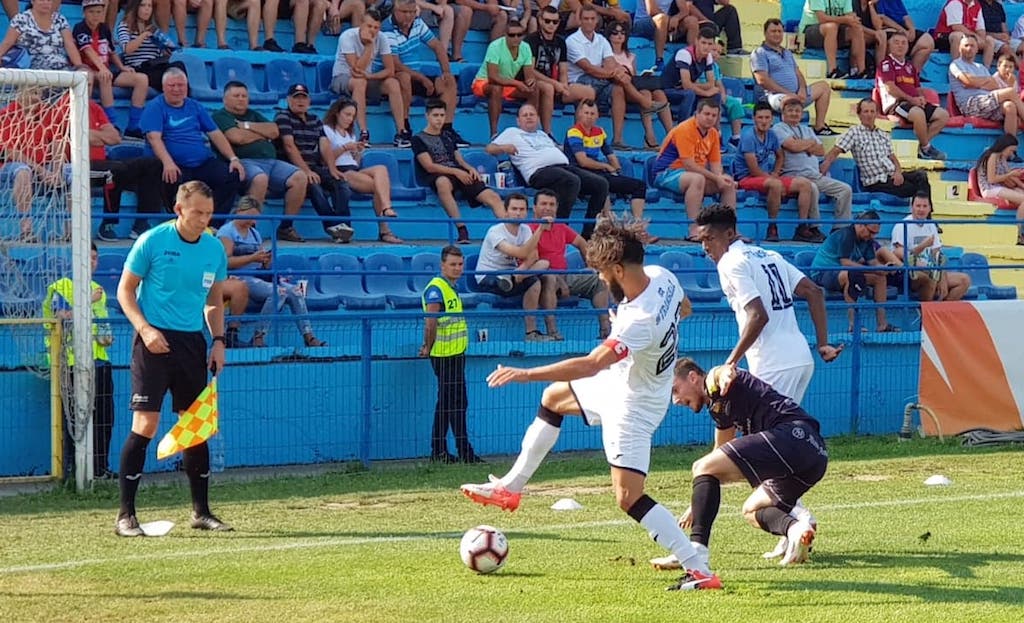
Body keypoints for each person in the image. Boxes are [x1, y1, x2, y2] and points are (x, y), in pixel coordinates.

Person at [460, 218, 725, 591]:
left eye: (601, 273)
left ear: (618, 269)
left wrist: (523, 373)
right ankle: (511, 487)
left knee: (627, 496)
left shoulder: (638, 319)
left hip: (634, 405)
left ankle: (698, 568)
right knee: (553, 398)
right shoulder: (662, 276)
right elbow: (685, 309)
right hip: (628, 382)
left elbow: (589, 364)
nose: (600, 280)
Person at [649, 205, 840, 571]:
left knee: (774, 447)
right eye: (699, 240)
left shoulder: (731, 263)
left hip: (773, 361)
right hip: (800, 356)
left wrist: (731, 362)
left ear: (727, 234)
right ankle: (791, 528)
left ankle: (797, 522)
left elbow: (758, 314)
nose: (705, 248)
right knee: (764, 453)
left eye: (707, 239)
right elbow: (813, 291)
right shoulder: (768, 254)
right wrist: (822, 343)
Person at [113, 180, 232, 537]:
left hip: (192, 345)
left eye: (209, 214)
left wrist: (218, 341)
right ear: (179, 209)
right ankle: (125, 515)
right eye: (198, 212)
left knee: (193, 427)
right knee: (145, 426)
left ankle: (202, 512)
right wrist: (146, 330)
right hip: (152, 342)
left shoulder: (214, 249)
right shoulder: (152, 241)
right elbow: (125, 290)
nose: (204, 220)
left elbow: (214, 299)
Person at [670, 359, 827, 568]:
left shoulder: (714, 383)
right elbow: (718, 454)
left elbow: (722, 372)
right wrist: (695, 505)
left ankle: (696, 550)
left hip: (792, 435)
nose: (675, 400)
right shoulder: (718, 408)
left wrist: (724, 372)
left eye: (675, 389)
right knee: (751, 511)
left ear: (692, 377)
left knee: (700, 466)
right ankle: (795, 528)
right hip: (816, 456)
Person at [43, 242, 117, 480]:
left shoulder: (98, 290)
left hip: (99, 361)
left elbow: (101, 326)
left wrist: (105, 338)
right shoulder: (61, 287)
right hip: (70, 362)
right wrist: (88, 302)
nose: (92, 262)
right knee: (73, 418)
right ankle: (72, 471)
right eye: (88, 257)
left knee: (105, 417)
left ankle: (99, 468)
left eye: (95, 258)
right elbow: (61, 319)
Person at [486, 104, 610, 239]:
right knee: (571, 181)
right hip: (538, 172)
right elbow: (489, 149)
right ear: (518, 121)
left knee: (601, 184)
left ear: (538, 119)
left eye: (532, 115)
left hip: (563, 168)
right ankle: (560, 229)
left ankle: (589, 234)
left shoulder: (543, 134)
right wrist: (504, 147)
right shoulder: (512, 132)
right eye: (525, 115)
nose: (529, 117)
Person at [217, 196, 327, 348]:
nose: (252, 222)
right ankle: (259, 336)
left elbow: (260, 261)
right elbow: (226, 262)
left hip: (259, 275)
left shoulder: (254, 233)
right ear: (238, 211)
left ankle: (309, 336)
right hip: (240, 277)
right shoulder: (227, 231)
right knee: (279, 293)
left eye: (255, 218)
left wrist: (266, 262)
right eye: (249, 217)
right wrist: (252, 258)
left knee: (295, 292)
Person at [140, 68, 245, 219]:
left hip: (201, 163)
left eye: (181, 85)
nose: (177, 89)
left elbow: (215, 133)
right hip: (174, 164)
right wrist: (168, 163)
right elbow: (154, 138)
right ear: (163, 87)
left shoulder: (195, 106)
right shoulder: (155, 107)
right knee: (170, 177)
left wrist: (233, 159)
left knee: (231, 175)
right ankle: (183, 222)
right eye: (172, 85)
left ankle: (211, 222)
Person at [213, 81, 309, 243]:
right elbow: (237, 138)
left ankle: (286, 227)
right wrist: (261, 134)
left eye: (244, 96)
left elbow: (274, 131)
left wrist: (247, 126)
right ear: (225, 99)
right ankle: (248, 229)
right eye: (236, 96)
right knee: (260, 178)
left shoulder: (253, 114)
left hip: (271, 162)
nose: (241, 99)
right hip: (244, 162)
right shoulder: (220, 116)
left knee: (300, 177)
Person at [568, 6, 669, 149]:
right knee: (620, 78)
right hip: (581, 80)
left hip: (601, 79)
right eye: (586, 19)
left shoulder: (601, 40)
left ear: (596, 20)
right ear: (580, 20)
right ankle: (645, 103)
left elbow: (611, 63)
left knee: (619, 88)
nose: (589, 22)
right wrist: (614, 73)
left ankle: (617, 140)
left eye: (592, 19)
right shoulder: (573, 40)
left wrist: (619, 72)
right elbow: (588, 68)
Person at [419, 245, 482, 464]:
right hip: (444, 356)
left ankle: (450, 451)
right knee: (450, 403)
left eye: (460, 264)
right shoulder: (436, 289)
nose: (457, 268)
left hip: (455, 354)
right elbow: (430, 323)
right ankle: (448, 451)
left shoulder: (449, 287)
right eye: (453, 264)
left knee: (454, 403)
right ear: (442, 265)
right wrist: (427, 347)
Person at [412, 99, 506, 244]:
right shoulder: (418, 139)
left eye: (442, 115)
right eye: (435, 115)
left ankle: (508, 229)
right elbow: (429, 166)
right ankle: (461, 229)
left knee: (492, 196)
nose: (439, 119)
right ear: (427, 116)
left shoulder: (448, 136)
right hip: (438, 173)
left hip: (458, 171)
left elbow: (459, 160)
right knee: (442, 183)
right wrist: (456, 172)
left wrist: (469, 168)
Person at [274, 83, 355, 244]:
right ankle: (334, 227)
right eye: (296, 98)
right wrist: (305, 170)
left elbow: (324, 145)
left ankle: (344, 226)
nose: (300, 101)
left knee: (341, 182)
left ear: (309, 100)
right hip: (292, 169)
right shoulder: (283, 117)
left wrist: (332, 169)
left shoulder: (315, 119)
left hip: (314, 166)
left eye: (303, 97)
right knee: (314, 185)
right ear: (288, 100)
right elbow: (289, 146)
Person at [475, 193, 561, 341]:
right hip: (489, 275)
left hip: (513, 273)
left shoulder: (526, 230)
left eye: (522, 209)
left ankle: (531, 333)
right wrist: (540, 230)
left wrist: (519, 273)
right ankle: (512, 277)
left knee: (543, 266)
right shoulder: (495, 231)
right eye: (514, 209)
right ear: (506, 210)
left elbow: (533, 256)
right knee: (532, 278)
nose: (518, 213)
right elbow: (521, 252)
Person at [380, 0, 467, 147]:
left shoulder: (418, 23)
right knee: (404, 77)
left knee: (449, 81)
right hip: (395, 76)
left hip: (416, 75)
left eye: (412, 12)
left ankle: (446, 129)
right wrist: (422, 78)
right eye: (405, 12)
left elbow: (437, 46)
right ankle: (404, 129)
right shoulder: (387, 29)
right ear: (395, 11)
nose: (409, 16)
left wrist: (446, 72)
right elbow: (396, 65)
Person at [530, 188, 611, 338]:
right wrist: (560, 279)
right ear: (534, 207)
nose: (547, 208)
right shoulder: (528, 229)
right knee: (550, 279)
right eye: (543, 204)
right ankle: (553, 331)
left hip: (566, 276)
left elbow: (581, 242)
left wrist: (592, 265)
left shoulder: (560, 227)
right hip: (542, 277)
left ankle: (606, 330)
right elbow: (534, 262)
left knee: (600, 278)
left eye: (552, 204)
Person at [734, 102, 821, 243]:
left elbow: (780, 156)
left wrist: (775, 172)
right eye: (760, 118)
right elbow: (753, 169)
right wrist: (774, 178)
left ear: (772, 120)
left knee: (805, 184)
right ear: (754, 119)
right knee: (775, 184)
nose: (764, 121)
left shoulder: (772, 135)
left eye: (767, 118)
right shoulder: (748, 136)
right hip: (746, 178)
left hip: (767, 177)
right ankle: (772, 226)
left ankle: (802, 227)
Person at [651, 98, 737, 241]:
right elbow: (689, 164)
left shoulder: (714, 133)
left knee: (728, 183)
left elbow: (715, 163)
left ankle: (731, 231)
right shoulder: (685, 129)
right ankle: (694, 230)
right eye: (706, 114)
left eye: (714, 115)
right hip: (666, 172)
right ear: (697, 113)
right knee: (697, 179)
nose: (710, 118)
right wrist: (716, 178)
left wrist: (720, 177)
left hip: (693, 173)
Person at [322, 98, 403, 244]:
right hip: (339, 171)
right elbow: (326, 158)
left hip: (353, 169)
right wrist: (346, 148)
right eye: (347, 114)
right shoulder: (327, 130)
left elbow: (355, 163)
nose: (350, 119)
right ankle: (385, 228)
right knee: (380, 187)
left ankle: (386, 207)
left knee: (381, 169)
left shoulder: (350, 134)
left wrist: (357, 153)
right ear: (337, 113)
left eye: (352, 116)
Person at [330, 9, 411, 147]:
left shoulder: (382, 38)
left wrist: (371, 76)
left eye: (376, 27)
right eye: (369, 26)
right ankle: (363, 132)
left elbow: (390, 70)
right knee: (360, 82)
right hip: (342, 78)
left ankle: (401, 132)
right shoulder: (347, 36)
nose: (373, 31)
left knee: (393, 83)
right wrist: (369, 46)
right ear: (361, 24)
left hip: (366, 78)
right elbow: (356, 70)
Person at [87, 100, 166, 242]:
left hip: (103, 162)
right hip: (80, 166)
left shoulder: (94, 107)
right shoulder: (62, 108)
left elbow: (115, 138)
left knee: (152, 164)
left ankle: (141, 224)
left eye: (90, 85)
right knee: (113, 171)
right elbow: (71, 136)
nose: (88, 88)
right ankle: (108, 223)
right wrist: (101, 136)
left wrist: (88, 134)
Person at [564, 99, 649, 231]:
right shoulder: (574, 132)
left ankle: (638, 228)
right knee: (602, 185)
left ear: (598, 115)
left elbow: (609, 154)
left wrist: (617, 169)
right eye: (586, 113)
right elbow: (583, 161)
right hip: (579, 173)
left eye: (592, 114)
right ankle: (607, 226)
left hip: (598, 173)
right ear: (579, 114)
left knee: (639, 186)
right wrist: (607, 167)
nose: (589, 117)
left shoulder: (600, 131)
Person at [822, 98, 931, 200]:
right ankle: (921, 215)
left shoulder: (883, 134)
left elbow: (893, 159)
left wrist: (898, 172)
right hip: (876, 181)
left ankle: (925, 216)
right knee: (914, 189)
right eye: (865, 112)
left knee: (921, 175)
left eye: (872, 111)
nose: (869, 115)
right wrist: (826, 163)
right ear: (859, 115)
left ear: (876, 114)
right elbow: (836, 150)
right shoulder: (854, 132)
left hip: (892, 176)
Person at [810, 210, 899, 332]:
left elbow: (873, 262)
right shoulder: (846, 235)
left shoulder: (868, 241)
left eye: (875, 233)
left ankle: (882, 324)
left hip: (844, 272)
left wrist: (883, 269)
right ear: (860, 225)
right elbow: (845, 262)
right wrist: (870, 269)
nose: (872, 236)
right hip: (823, 272)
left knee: (880, 278)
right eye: (870, 232)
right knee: (852, 276)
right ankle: (853, 324)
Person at [75, 0, 151, 137]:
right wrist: (102, 69)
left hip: (106, 68)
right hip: (90, 70)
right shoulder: (80, 28)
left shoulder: (104, 28)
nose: (95, 16)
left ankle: (133, 126)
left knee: (141, 79)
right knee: (106, 78)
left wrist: (122, 67)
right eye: (91, 12)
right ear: (84, 13)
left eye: (99, 12)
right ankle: (111, 123)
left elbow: (112, 51)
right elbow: (88, 51)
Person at [773, 96, 853, 226]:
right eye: (790, 110)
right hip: (794, 175)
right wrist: (809, 144)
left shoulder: (807, 129)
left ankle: (841, 228)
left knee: (845, 190)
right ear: (783, 113)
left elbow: (821, 150)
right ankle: (812, 228)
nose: (794, 113)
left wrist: (801, 144)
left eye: (797, 111)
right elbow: (792, 146)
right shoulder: (778, 128)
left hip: (814, 175)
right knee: (812, 188)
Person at [751, 18, 835, 136]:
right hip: (773, 96)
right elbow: (762, 80)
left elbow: (798, 74)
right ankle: (790, 134)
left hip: (796, 95)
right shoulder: (759, 53)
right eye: (773, 31)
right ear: (765, 33)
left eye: (779, 31)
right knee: (789, 100)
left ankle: (820, 126)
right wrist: (788, 93)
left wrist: (802, 90)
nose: (777, 34)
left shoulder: (787, 53)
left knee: (824, 87)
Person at [876, 30, 949, 160]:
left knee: (943, 115)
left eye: (904, 43)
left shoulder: (910, 66)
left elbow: (917, 88)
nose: (900, 45)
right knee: (918, 113)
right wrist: (912, 100)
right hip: (896, 104)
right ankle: (927, 148)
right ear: (889, 46)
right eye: (896, 42)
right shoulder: (886, 64)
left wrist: (921, 99)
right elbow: (890, 88)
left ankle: (922, 146)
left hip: (912, 102)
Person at [527, 6, 598, 137]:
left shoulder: (561, 42)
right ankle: (547, 133)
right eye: (547, 21)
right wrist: (556, 85)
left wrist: (563, 85)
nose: (551, 24)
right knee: (548, 88)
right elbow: (530, 71)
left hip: (556, 84)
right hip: (537, 81)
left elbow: (563, 70)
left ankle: (578, 134)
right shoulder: (531, 40)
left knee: (589, 92)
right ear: (540, 20)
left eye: (555, 22)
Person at [889, 192, 972, 301]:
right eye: (918, 206)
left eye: (924, 206)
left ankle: (942, 311)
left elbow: (937, 253)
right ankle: (929, 314)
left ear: (929, 209)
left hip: (932, 270)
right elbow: (900, 253)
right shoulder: (901, 226)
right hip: (911, 272)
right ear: (912, 207)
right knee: (931, 277)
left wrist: (941, 276)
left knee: (964, 280)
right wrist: (924, 262)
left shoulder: (931, 226)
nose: (921, 209)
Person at [471, 20, 547, 137]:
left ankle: (529, 131)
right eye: (512, 35)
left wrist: (530, 82)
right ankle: (494, 133)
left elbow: (529, 74)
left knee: (534, 90)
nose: (516, 38)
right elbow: (492, 77)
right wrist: (517, 83)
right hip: (483, 82)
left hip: (507, 84)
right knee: (496, 88)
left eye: (519, 35)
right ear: (505, 35)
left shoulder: (525, 47)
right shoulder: (495, 46)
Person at [606, 20, 673, 149]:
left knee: (658, 93)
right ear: (609, 36)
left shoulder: (631, 56)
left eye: (622, 33)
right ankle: (650, 136)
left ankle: (671, 135)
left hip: (633, 85)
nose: (619, 35)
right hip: (619, 87)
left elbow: (635, 76)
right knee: (645, 93)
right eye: (615, 33)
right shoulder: (607, 55)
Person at [949, 34, 1024, 136]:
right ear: (959, 48)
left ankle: (1009, 145)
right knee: (1010, 92)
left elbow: (993, 84)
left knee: (1010, 106)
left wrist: (976, 82)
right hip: (971, 104)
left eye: (972, 46)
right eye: (966, 45)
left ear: (977, 49)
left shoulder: (981, 67)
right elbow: (967, 81)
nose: (969, 48)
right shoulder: (955, 64)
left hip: (986, 103)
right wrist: (981, 82)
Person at [0, 0, 86, 72]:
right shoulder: (21, 19)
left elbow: (69, 44)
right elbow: (8, 42)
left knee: (85, 74)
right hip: (31, 68)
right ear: (33, 1)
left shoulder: (60, 19)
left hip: (60, 66)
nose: (46, 2)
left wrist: (79, 66)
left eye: (48, 0)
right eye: (42, 0)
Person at [116, 0, 181, 93]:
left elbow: (157, 54)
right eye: (143, 5)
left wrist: (165, 52)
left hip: (155, 65)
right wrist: (144, 35)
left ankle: (183, 101)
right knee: (168, 78)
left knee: (178, 67)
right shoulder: (125, 26)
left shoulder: (154, 29)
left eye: (149, 6)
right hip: (139, 68)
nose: (147, 9)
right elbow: (127, 49)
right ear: (135, 8)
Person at [798, 0, 867, 79]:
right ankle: (832, 70)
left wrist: (853, 19)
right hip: (809, 31)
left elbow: (850, 15)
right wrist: (844, 19)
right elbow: (822, 18)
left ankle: (861, 70)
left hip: (835, 29)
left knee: (856, 28)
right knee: (831, 27)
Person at [975, 134, 1024, 245]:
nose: (1012, 154)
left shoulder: (1002, 158)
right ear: (1004, 147)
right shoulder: (992, 156)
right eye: (1011, 151)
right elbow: (992, 179)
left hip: (1000, 187)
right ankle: (1017, 232)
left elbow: (1010, 176)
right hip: (990, 189)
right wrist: (1010, 174)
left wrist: (1021, 185)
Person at [875, 0, 935, 71]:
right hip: (888, 29)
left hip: (903, 29)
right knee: (897, 41)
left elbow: (906, 17)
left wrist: (911, 29)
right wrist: (902, 30)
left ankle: (913, 74)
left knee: (927, 41)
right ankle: (888, 73)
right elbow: (882, 18)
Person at [935, 0, 994, 66]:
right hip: (945, 36)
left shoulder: (977, 5)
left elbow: (981, 29)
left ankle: (985, 71)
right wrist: (976, 38)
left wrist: (981, 40)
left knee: (989, 40)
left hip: (970, 36)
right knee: (958, 35)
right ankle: (958, 68)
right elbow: (956, 27)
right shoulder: (955, 3)